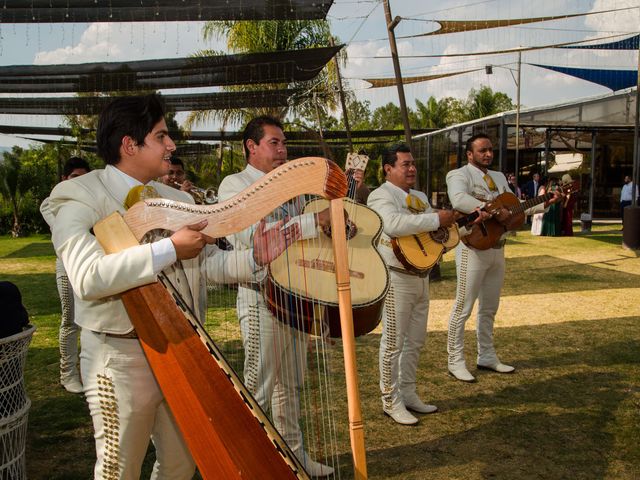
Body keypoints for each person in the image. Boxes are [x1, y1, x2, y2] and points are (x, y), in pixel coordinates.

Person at [44, 95, 296, 479]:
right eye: (161, 136)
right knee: (118, 469)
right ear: (130, 145)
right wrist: (168, 249)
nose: (172, 145)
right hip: (120, 356)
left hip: (183, 350)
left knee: (182, 462)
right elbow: (88, 276)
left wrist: (256, 258)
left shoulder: (177, 199)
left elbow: (209, 264)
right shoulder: (80, 195)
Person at [217, 115, 334, 477]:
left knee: (292, 384)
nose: (283, 150)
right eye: (274, 143)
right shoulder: (233, 185)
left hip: (295, 297)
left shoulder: (292, 186)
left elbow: (302, 238)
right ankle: (251, 464)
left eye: (284, 144)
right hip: (259, 298)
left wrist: (330, 226)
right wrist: (317, 222)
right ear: (251, 146)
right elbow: (255, 236)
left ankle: (294, 457)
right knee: (259, 387)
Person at [446, 133, 561, 383]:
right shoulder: (459, 175)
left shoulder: (498, 177)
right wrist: (495, 209)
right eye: (482, 150)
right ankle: (455, 360)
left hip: (498, 248)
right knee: (463, 307)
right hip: (473, 249)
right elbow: (459, 200)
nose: (488, 154)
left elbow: (515, 205)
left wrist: (545, 203)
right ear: (469, 154)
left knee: (489, 308)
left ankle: (486, 355)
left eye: (490, 150)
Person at [366, 144, 455, 425]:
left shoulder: (418, 196)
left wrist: (446, 230)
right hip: (396, 277)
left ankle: (408, 393)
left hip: (421, 275)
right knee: (393, 342)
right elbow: (392, 225)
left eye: (413, 163)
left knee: (415, 341)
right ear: (388, 169)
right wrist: (434, 219)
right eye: (405, 164)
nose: (412, 168)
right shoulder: (380, 195)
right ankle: (390, 401)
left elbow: (430, 234)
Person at [40, 156, 91, 393]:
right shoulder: (49, 204)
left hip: (91, 265)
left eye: (84, 178)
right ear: (64, 179)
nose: (79, 182)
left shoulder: (93, 201)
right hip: (67, 267)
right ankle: (68, 374)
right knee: (70, 319)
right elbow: (69, 232)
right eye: (74, 177)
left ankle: (89, 372)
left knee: (91, 321)